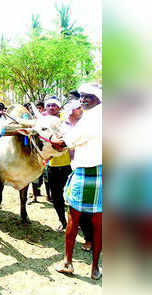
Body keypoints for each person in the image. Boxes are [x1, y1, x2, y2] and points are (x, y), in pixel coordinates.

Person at [55, 83, 102, 280]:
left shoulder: (93, 117)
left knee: (73, 220)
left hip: (85, 172)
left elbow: (72, 140)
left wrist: (61, 140)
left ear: (98, 98)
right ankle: (95, 268)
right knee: (99, 223)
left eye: (88, 97)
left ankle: (68, 262)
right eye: (81, 96)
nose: (83, 100)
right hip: (102, 173)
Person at [63, 100, 94, 252]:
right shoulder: (62, 126)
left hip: (86, 169)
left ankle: (90, 239)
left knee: (85, 209)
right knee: (69, 205)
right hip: (64, 167)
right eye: (78, 107)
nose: (81, 109)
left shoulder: (90, 123)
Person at [44, 96, 72, 231]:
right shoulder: (41, 123)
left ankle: (74, 222)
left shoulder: (66, 120)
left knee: (72, 196)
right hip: (52, 165)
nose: (51, 108)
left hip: (70, 165)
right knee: (56, 197)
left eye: (54, 105)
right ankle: (63, 221)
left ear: (58, 107)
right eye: (48, 105)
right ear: (45, 108)